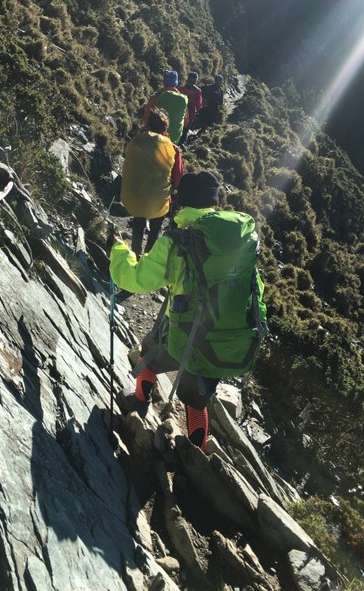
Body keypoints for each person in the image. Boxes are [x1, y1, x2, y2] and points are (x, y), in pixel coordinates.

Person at [109, 171, 266, 453]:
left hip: (183, 337)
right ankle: (194, 457)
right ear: (214, 202)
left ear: (183, 201)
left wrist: (119, 251)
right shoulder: (242, 241)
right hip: (227, 342)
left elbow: (135, 279)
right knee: (198, 399)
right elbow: (257, 291)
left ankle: (140, 400)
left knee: (147, 356)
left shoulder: (179, 240)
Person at [120, 110, 183, 257]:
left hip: (136, 195)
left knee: (138, 222)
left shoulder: (137, 141)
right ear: (165, 128)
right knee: (155, 229)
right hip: (158, 199)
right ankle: (148, 258)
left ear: (148, 125)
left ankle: (134, 254)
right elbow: (178, 178)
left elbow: (128, 159)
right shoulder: (173, 148)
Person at [141, 70, 189, 144]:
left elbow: (146, 116)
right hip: (174, 137)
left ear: (164, 82)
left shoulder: (156, 97)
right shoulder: (183, 99)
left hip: (156, 135)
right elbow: (186, 121)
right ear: (176, 83)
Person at [178, 72, 203, 145]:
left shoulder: (181, 89)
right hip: (191, 110)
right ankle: (182, 143)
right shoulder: (198, 91)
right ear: (196, 80)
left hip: (181, 109)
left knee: (179, 125)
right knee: (186, 129)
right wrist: (198, 111)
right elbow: (199, 104)